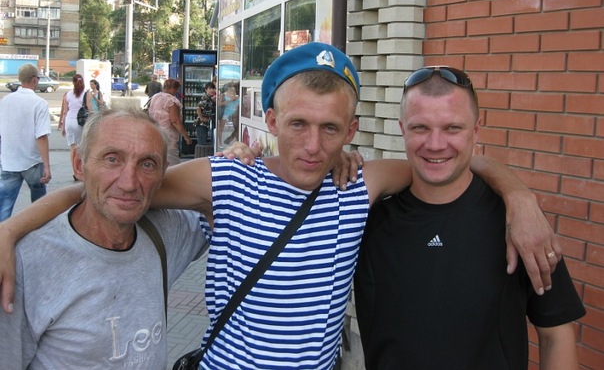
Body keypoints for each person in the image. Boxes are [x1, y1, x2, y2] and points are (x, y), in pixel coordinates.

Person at [0, 43, 560, 369]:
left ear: (351, 131)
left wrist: (518, 194)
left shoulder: (360, 184)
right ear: (269, 120)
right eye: (297, 124)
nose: (313, 146)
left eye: (330, 129)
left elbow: (443, 161)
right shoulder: (226, 178)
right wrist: (9, 231)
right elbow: (117, 189)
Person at [354, 66, 586, 369]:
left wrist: (518, 194)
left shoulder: (518, 222)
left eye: (452, 128)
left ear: (476, 130)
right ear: (402, 129)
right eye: (420, 128)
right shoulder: (364, 222)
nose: (435, 144)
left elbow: (555, 333)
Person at [0, 108, 209, 369]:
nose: (129, 183)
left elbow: (220, 201)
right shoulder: (24, 264)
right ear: (79, 163)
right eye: (112, 159)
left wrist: (237, 157)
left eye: (147, 164)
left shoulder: (166, 231)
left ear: (162, 176)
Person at [0, 64, 51, 221]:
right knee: (39, 206)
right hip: (32, 163)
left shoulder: (5, 101)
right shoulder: (39, 103)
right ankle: (38, 231)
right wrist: (47, 166)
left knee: (4, 207)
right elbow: (41, 136)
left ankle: (3, 232)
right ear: (35, 79)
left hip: (9, 161)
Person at [148, 78, 192, 166]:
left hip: (154, 132)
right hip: (168, 135)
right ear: (172, 88)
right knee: (172, 164)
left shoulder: (155, 97)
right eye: (177, 89)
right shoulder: (171, 100)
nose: (177, 91)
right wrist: (186, 136)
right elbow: (175, 120)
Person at [58, 73, 86, 179]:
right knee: (83, 147)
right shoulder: (85, 94)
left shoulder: (67, 94)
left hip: (69, 122)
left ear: (73, 82)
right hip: (81, 122)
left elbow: (65, 111)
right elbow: (89, 109)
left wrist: (63, 126)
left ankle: (75, 172)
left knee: (73, 148)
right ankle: (82, 170)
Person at [216, 82, 239, 148]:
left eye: (234, 90)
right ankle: (219, 143)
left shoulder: (237, 96)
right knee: (221, 128)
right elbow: (219, 104)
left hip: (234, 113)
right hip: (225, 113)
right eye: (231, 90)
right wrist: (229, 101)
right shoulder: (223, 95)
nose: (232, 92)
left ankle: (235, 142)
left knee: (236, 128)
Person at [195, 81, 217, 146]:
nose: (212, 90)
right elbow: (198, 108)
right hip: (201, 124)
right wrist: (202, 118)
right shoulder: (205, 98)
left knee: (205, 142)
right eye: (210, 89)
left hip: (207, 123)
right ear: (206, 90)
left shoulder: (210, 98)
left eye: (213, 88)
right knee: (202, 143)